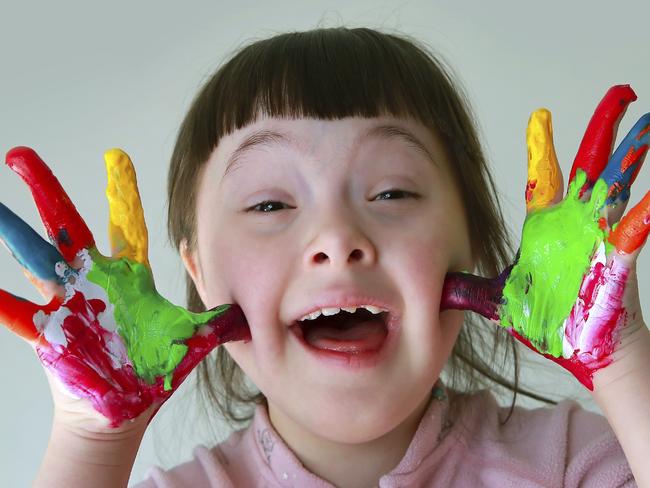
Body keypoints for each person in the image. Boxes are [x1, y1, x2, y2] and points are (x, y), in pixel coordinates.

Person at [0, 27, 648, 487]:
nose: (337, 238)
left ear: (474, 247)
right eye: (269, 205)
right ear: (199, 272)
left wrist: (622, 363)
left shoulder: (575, 463)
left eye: (392, 192)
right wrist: (95, 438)